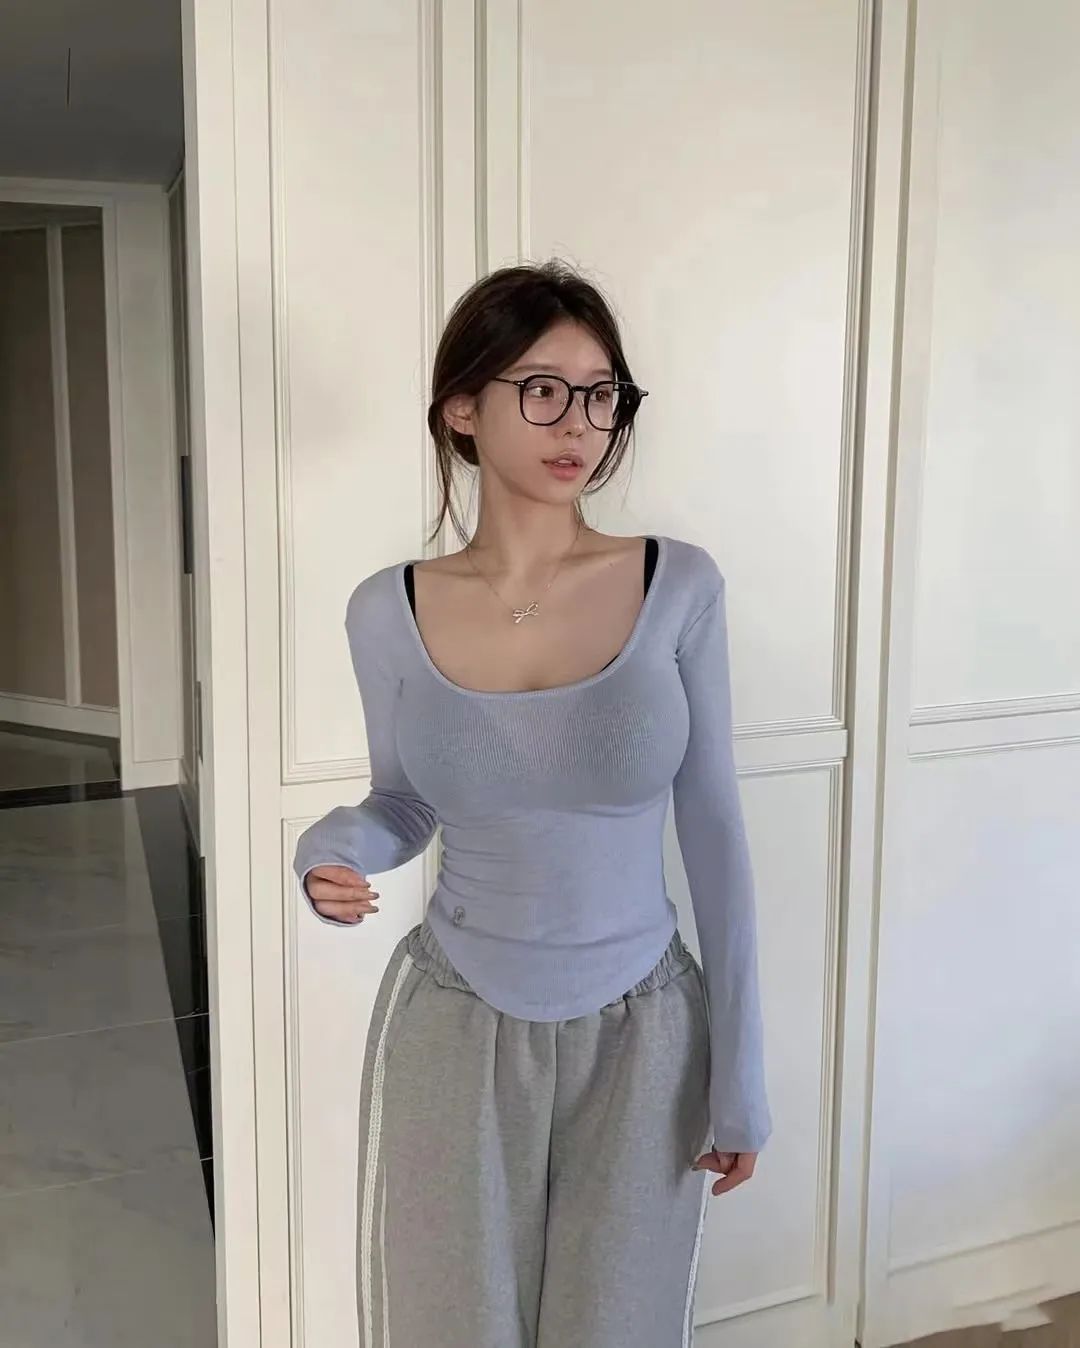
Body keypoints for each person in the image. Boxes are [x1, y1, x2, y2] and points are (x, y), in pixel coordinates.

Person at [293, 260, 771, 1348]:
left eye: (602, 394)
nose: (580, 424)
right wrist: (331, 846)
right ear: (462, 408)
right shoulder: (388, 609)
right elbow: (401, 801)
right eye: (542, 388)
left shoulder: (678, 586)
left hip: (645, 1027)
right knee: (447, 1324)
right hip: (453, 1020)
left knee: (620, 1325)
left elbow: (715, 834)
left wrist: (740, 1070)